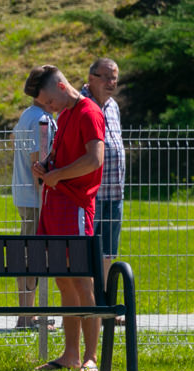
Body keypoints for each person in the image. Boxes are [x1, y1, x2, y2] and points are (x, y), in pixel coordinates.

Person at [26, 65, 105, 371]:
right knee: (62, 281)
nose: (49, 108)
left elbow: (93, 159)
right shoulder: (65, 116)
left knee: (82, 282)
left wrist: (57, 175)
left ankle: (90, 357)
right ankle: (70, 354)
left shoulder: (88, 111)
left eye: (48, 101)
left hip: (74, 207)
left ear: (60, 87)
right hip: (55, 205)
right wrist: (46, 168)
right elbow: (66, 159)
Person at [81, 58, 125, 324]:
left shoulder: (113, 106)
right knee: (87, 253)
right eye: (107, 77)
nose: (111, 83)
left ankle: (105, 307)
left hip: (114, 192)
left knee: (109, 251)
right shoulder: (82, 105)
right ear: (91, 77)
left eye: (115, 78)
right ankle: (89, 306)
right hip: (89, 193)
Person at [11, 91, 57, 330]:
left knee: (31, 252)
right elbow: (37, 162)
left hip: (26, 195)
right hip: (35, 197)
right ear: (45, 93)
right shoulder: (41, 119)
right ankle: (26, 316)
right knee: (32, 255)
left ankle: (30, 313)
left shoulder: (28, 115)